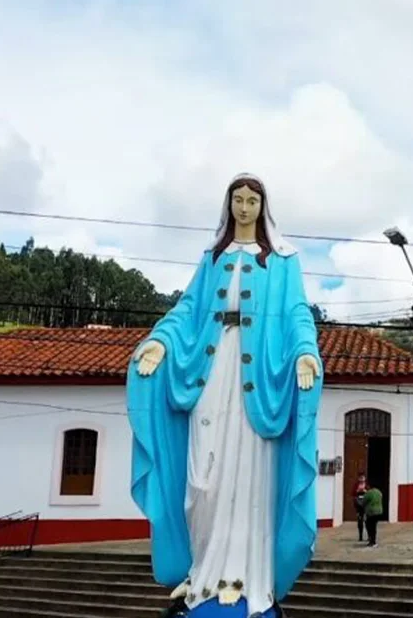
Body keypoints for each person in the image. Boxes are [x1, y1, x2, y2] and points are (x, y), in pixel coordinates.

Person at [126, 173, 323, 618]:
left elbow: (297, 313)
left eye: (253, 200)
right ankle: (203, 571)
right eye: (238, 199)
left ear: (263, 206)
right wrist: (160, 341)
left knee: (250, 474)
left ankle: (243, 576)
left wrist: (305, 354)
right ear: (229, 204)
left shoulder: (283, 260)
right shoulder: (211, 258)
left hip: (260, 383)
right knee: (204, 477)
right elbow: (188, 309)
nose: (245, 207)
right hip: (210, 373)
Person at [352, 472, 369, 542]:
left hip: (366, 506)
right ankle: (360, 536)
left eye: (363, 477)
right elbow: (352, 494)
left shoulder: (367, 485)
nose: (362, 479)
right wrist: (357, 491)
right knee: (360, 522)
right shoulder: (356, 485)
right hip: (359, 506)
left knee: (367, 522)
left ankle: (369, 536)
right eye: (360, 478)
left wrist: (365, 491)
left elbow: (370, 493)